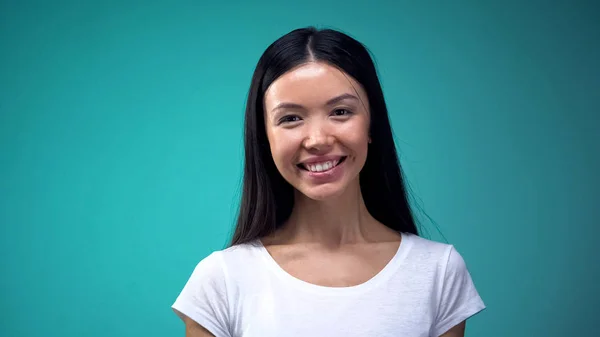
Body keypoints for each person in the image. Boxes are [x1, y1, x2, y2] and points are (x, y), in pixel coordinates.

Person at [172, 27, 486, 337]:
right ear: (264, 138)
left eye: (340, 111)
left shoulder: (437, 272)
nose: (318, 140)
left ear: (372, 124)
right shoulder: (221, 281)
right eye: (291, 118)